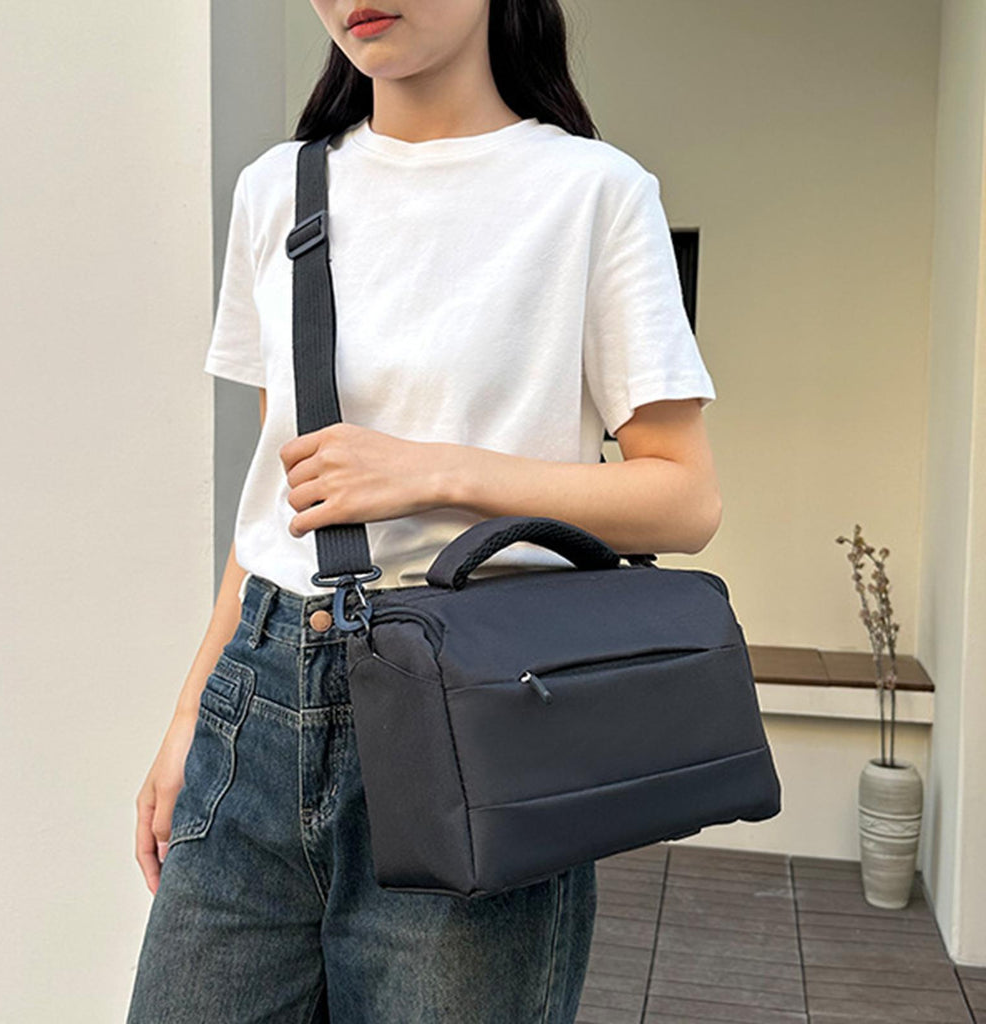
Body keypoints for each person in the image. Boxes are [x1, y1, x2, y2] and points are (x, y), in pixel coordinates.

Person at [126, 1, 721, 1020]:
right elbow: (281, 493)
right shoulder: (278, 190)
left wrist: (434, 472)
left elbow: (684, 496)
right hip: (260, 700)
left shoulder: (592, 193)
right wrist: (191, 714)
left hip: (474, 716)